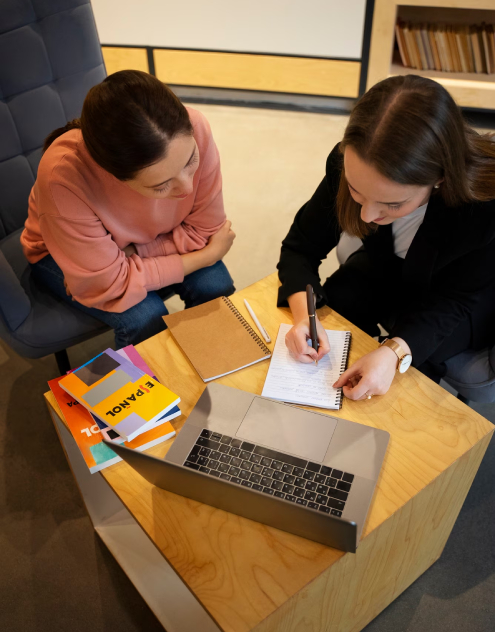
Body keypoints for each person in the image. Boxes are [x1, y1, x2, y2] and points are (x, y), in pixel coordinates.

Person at [277, 74, 495, 401]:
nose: (365, 217)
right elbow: (300, 247)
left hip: (458, 297)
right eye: (355, 191)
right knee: (338, 301)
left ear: (440, 178)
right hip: (388, 266)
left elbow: (457, 301)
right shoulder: (348, 161)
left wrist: (395, 351)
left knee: (416, 375)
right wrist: (301, 318)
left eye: (392, 203)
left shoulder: (483, 205)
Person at [21, 70, 236, 349]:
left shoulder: (196, 126)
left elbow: (206, 229)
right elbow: (107, 284)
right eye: (161, 185)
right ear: (115, 176)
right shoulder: (63, 177)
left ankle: (210, 359)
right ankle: (155, 384)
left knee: (215, 287)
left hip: (126, 252)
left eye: (190, 161)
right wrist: (208, 255)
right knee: (146, 317)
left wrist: (132, 257)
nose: (186, 188)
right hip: (58, 253)